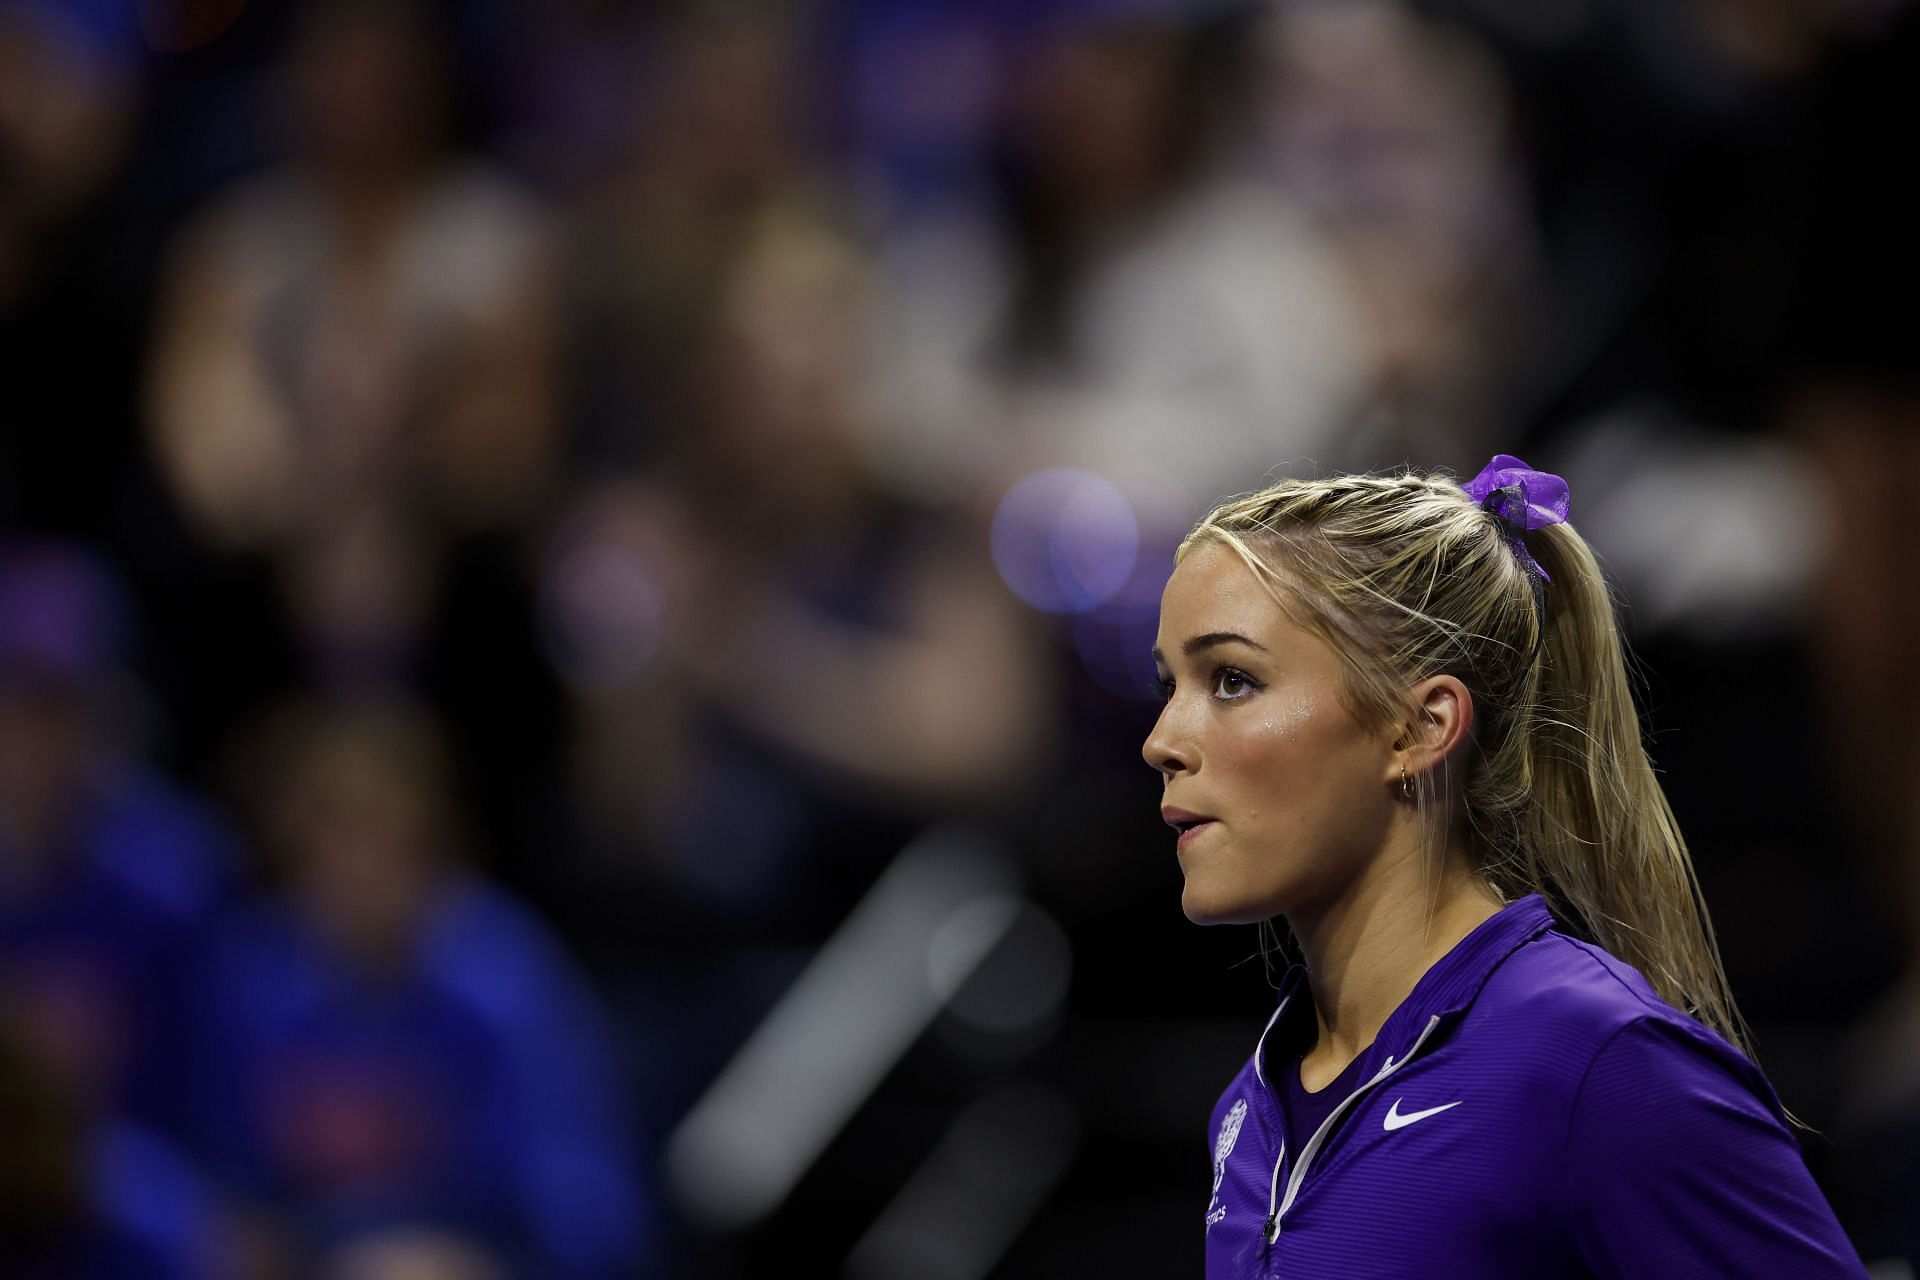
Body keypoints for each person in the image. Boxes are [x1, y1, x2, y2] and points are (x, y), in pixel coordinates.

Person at [1143, 457, 1870, 1277]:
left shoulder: (1598, 1060)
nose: (1161, 740)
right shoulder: (1250, 1110)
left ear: (1420, 728)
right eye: (1169, 685)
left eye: (1232, 680)